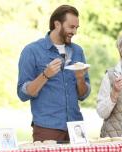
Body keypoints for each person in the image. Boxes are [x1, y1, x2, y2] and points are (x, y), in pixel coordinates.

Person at [17, 5, 90, 142]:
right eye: (71, 27)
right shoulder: (32, 51)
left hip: (76, 127)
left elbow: (83, 95)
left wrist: (80, 79)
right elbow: (23, 94)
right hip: (47, 129)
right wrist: (45, 75)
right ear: (57, 24)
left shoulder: (78, 51)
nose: (74, 32)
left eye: (76, 28)